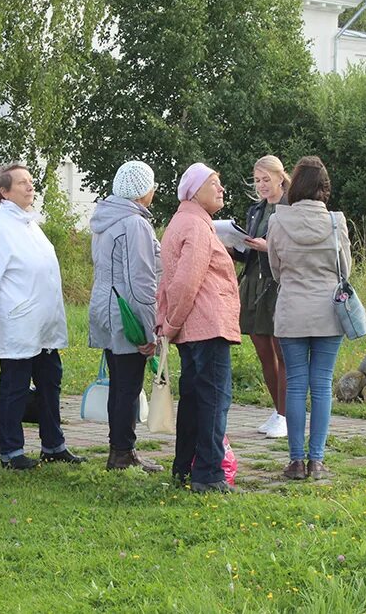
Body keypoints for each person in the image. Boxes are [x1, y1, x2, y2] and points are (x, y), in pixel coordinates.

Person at [0, 162, 86, 470]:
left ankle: (53, 444)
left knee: (50, 383)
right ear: (3, 192)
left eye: (31, 182)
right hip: (18, 325)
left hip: (43, 327)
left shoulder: (30, 225)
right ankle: (11, 450)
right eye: (22, 183)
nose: (30, 187)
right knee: (15, 388)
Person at [157, 162, 241, 493]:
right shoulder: (196, 226)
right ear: (194, 191)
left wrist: (170, 322)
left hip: (193, 327)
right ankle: (208, 474)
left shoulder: (183, 221)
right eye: (214, 183)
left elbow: (169, 283)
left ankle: (184, 468)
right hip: (206, 326)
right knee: (214, 400)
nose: (221, 189)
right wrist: (172, 322)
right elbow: (184, 282)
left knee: (194, 400)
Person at [267, 156, 351, 481]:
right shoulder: (335, 222)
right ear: (324, 188)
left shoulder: (277, 221)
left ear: (295, 185)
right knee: (321, 384)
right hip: (328, 312)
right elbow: (345, 269)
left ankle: (295, 461)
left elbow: (275, 268)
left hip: (291, 311)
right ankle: (317, 461)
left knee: (296, 383)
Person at [88, 161, 163, 473]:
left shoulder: (105, 219)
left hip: (106, 308)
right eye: (152, 186)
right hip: (127, 314)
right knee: (129, 386)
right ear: (141, 191)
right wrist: (149, 332)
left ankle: (117, 449)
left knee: (120, 384)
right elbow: (141, 281)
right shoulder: (135, 224)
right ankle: (123, 452)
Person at [233, 155, 290, 439]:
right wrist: (229, 244)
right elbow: (247, 253)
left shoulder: (291, 208)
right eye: (257, 181)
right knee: (263, 353)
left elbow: (292, 249)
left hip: (278, 284)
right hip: (253, 283)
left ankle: (286, 415)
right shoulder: (255, 210)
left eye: (266, 179)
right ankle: (278, 410)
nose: (261, 186)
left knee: (282, 353)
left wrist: (268, 247)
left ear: (281, 177)